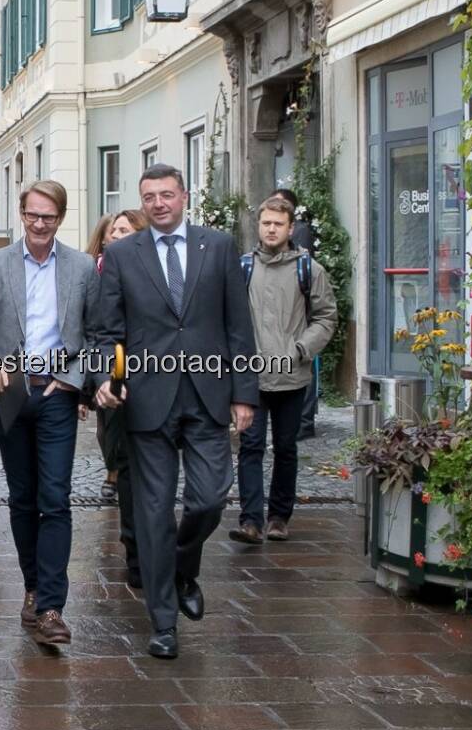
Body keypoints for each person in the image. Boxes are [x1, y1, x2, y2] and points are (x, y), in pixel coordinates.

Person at [93, 164, 257, 660]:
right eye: (149, 196)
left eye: (167, 194)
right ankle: (163, 622)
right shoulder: (122, 255)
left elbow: (238, 324)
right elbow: (106, 330)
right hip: (146, 400)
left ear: (184, 196)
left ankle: (184, 567)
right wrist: (104, 376)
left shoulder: (219, 246)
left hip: (208, 395)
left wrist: (244, 392)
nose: (159, 203)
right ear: (141, 201)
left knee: (210, 499)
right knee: (152, 513)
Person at [0, 181, 98, 647]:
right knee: (23, 497)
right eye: (33, 215)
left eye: (49, 217)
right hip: (9, 394)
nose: (40, 224)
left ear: (60, 217)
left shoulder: (80, 267)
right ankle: (33, 588)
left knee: (55, 498)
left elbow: (96, 335)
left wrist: (74, 379)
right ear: (21, 214)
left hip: (58, 392)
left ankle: (53, 607)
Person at [230, 196, 338, 545]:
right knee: (250, 446)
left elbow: (325, 318)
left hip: (293, 375)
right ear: (258, 227)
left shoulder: (310, 270)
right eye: (266, 223)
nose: (271, 229)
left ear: (291, 228)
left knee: (286, 448)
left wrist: (301, 349)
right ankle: (250, 520)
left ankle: (278, 517)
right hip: (252, 376)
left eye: (278, 223)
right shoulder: (242, 267)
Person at [84, 208, 148, 589]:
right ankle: (135, 548)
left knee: (150, 470)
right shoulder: (97, 273)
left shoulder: (158, 268)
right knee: (125, 463)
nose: (120, 236)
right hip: (116, 381)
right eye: (116, 231)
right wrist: (94, 382)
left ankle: (151, 544)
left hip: (161, 380)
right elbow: (94, 331)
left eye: (128, 230)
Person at [271, 188, 320, 440]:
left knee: (303, 366)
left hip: (299, 313)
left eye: (280, 205)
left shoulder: (300, 231)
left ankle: (303, 421)